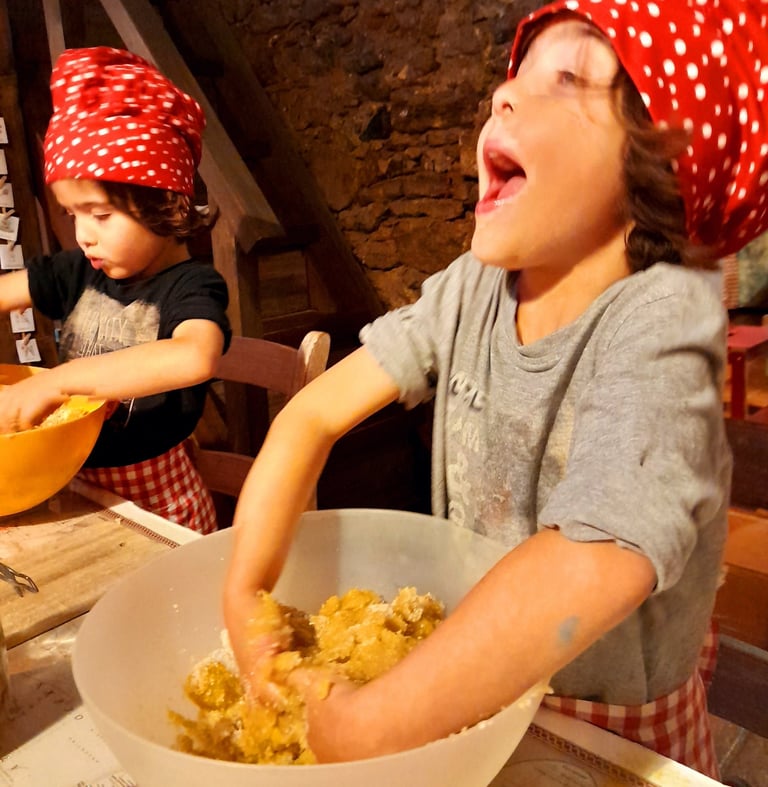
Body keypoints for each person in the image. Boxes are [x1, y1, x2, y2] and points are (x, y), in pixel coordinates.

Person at [223, 0, 768, 778]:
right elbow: (309, 417)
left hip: (612, 739)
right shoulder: (470, 289)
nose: (500, 94)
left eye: (569, 77)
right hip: (467, 698)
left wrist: (366, 724)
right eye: (514, 75)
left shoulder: (667, 319)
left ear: (657, 166)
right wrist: (246, 596)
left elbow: (598, 558)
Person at [0, 47, 231, 534]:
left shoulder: (191, 285)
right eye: (73, 214)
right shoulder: (78, 270)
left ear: (162, 202)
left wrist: (58, 380)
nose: (84, 234)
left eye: (100, 214)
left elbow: (194, 357)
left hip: (161, 505)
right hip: (74, 484)